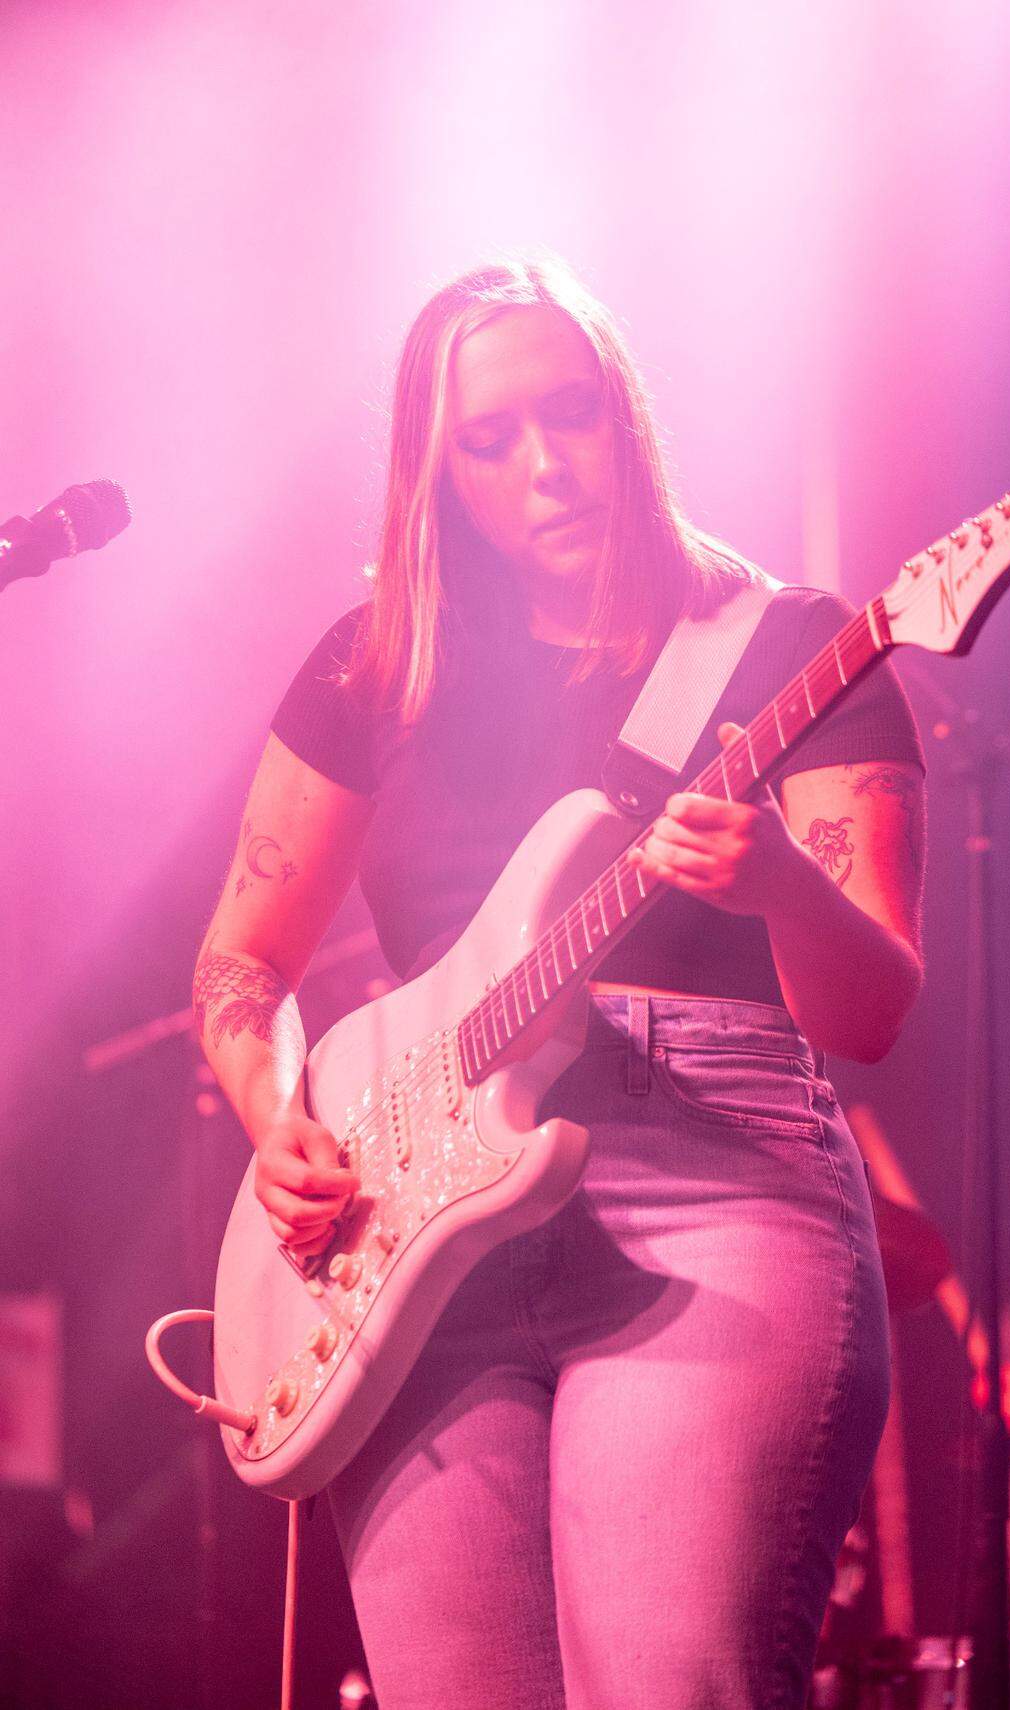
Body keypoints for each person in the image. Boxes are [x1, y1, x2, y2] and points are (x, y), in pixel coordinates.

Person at [192, 256, 926, 1710]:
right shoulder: (375, 668)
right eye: (490, 437)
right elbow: (242, 959)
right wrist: (277, 1117)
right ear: (435, 474)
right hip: (417, 1223)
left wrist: (783, 882)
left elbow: (873, 1014)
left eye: (572, 413)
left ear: (627, 414)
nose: (545, 462)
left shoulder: (795, 647)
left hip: (712, 1189)